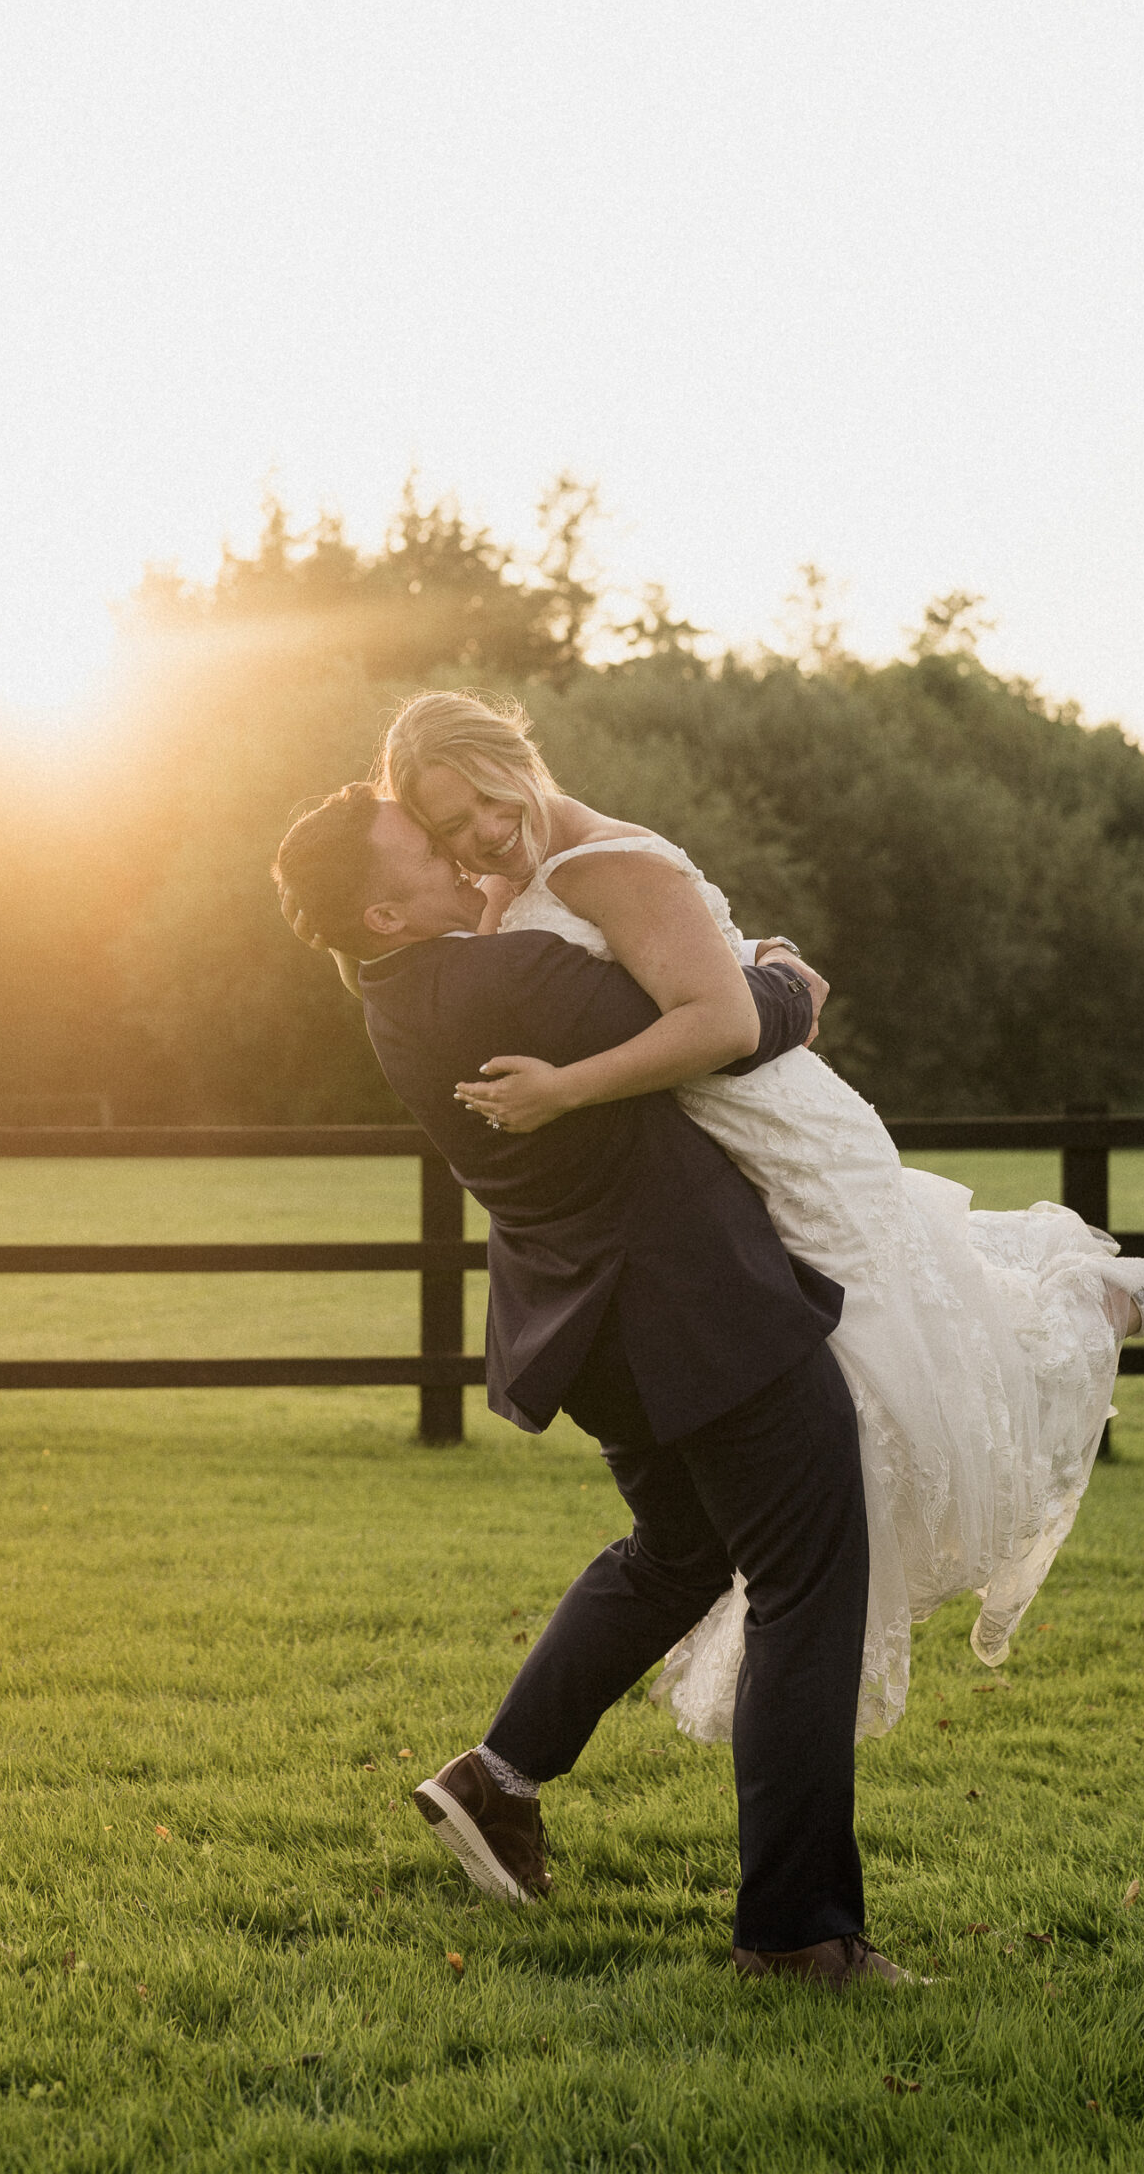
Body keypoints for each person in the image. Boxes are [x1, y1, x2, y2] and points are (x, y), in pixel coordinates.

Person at [361, 689, 1144, 1743]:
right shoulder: (508, 890)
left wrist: (579, 1083)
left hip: (773, 1119)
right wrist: (775, 980)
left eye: (486, 805)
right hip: (713, 1157)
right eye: (450, 831)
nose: (481, 839)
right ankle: (1090, 1296)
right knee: (884, 1364)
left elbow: (720, 1018)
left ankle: (1091, 1305)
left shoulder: (598, 865)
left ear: (516, 757)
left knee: (908, 1356)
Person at [273, 782, 900, 1989]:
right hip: (700, 1313)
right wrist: (783, 967)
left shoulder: (394, 990)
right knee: (806, 1587)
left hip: (598, 1328)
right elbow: (722, 1015)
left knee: (676, 1555)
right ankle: (797, 1937)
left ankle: (495, 1778)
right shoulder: (501, 979)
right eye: (430, 851)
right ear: (384, 907)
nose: (463, 861)